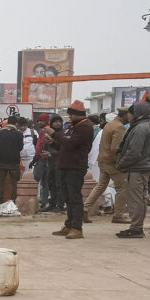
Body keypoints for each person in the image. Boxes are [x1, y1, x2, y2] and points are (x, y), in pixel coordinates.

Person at [49, 100, 95, 239]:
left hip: (75, 167)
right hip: (65, 166)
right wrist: (54, 143)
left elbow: (70, 143)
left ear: (76, 114)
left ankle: (77, 227)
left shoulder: (85, 127)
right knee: (67, 198)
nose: (69, 117)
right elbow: (64, 146)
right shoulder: (72, 127)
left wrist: (53, 134)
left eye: (70, 114)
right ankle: (69, 225)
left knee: (75, 198)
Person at [115, 101, 150, 238]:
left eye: (130, 113)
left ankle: (136, 227)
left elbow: (134, 152)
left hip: (137, 168)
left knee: (136, 199)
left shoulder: (139, 129)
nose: (129, 116)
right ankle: (137, 226)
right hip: (143, 166)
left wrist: (122, 164)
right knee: (141, 198)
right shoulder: (147, 126)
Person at [84, 108, 129, 223]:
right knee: (122, 188)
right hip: (112, 162)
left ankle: (85, 208)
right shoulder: (119, 127)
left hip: (103, 160)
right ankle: (118, 215)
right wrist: (120, 163)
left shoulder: (110, 124)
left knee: (100, 186)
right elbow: (115, 149)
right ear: (125, 115)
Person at [0, 116, 24, 205]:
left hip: (1, 162)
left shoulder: (0, 133)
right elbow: (21, 147)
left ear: (7, 122)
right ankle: (13, 202)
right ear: (16, 123)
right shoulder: (19, 134)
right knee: (15, 183)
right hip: (14, 162)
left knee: (0, 182)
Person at [35, 115, 64, 211]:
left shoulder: (63, 134)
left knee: (59, 184)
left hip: (60, 163)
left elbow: (64, 150)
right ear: (51, 123)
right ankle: (52, 204)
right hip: (50, 163)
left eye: (59, 121)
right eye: (55, 121)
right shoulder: (48, 134)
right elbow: (45, 146)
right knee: (51, 183)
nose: (58, 123)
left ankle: (60, 205)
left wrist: (50, 154)